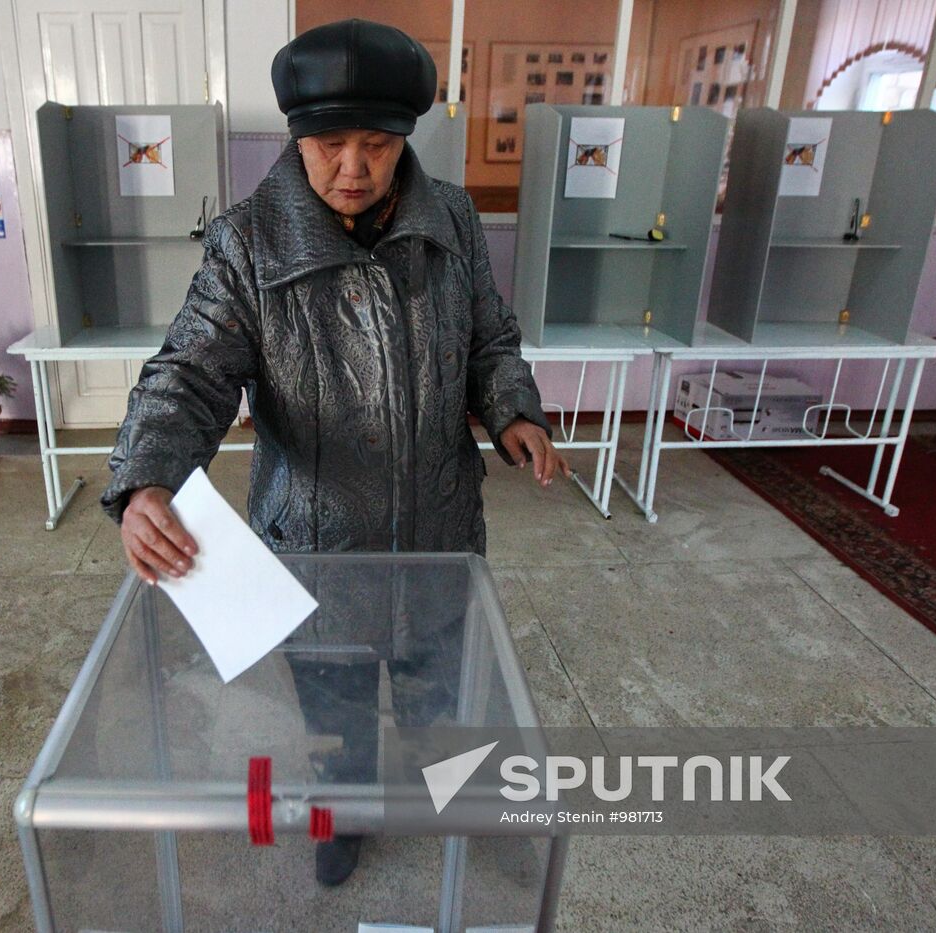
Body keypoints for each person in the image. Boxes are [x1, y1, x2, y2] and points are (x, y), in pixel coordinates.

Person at [100, 17, 567, 885]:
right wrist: (146, 480)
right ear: (296, 139)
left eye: (377, 145)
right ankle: (342, 815)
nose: (354, 168)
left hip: (438, 533)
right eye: (329, 145)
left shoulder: (453, 217)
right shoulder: (248, 241)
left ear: (404, 138)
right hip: (317, 546)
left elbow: (490, 337)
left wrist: (513, 408)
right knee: (334, 713)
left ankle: (462, 807)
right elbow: (190, 374)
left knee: (442, 704)